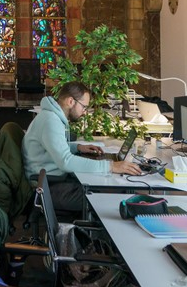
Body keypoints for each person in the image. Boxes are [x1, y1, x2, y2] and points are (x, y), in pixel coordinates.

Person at [22, 81, 142, 213]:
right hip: (45, 188)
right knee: (105, 197)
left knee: (105, 188)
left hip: (52, 179)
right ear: (71, 101)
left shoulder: (51, 116)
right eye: (84, 107)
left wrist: (77, 147)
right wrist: (111, 166)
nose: (84, 112)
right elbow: (66, 162)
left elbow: (52, 146)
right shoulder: (51, 121)